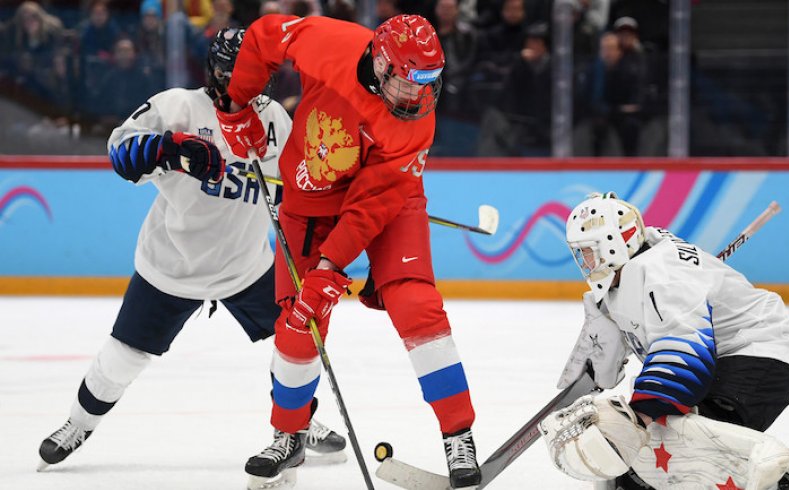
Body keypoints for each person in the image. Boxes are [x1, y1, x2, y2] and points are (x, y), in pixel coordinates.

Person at [37, 27, 346, 473]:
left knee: (295, 344)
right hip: (172, 267)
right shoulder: (178, 107)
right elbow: (120, 153)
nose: (255, 85)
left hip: (247, 266)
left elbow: (299, 188)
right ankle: (78, 422)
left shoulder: (276, 119)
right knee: (122, 357)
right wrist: (169, 149)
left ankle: (296, 422)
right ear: (220, 73)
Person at [212, 13, 481, 489]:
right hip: (309, 201)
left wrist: (329, 267)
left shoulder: (415, 123)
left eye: (428, 85)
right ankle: (288, 433)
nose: (419, 97)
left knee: (415, 305)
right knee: (298, 323)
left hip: (386, 205)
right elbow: (261, 38)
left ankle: (458, 432)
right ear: (380, 63)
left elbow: (369, 208)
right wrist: (235, 107)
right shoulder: (329, 42)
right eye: (407, 83)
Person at [539, 192, 789, 489]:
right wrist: (588, 381)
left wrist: (637, 417)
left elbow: (684, 353)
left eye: (589, 250)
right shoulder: (631, 272)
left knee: (677, 443)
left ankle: (780, 482)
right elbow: (617, 344)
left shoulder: (665, 274)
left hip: (758, 354)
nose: (584, 261)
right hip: (727, 359)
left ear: (614, 244)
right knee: (640, 461)